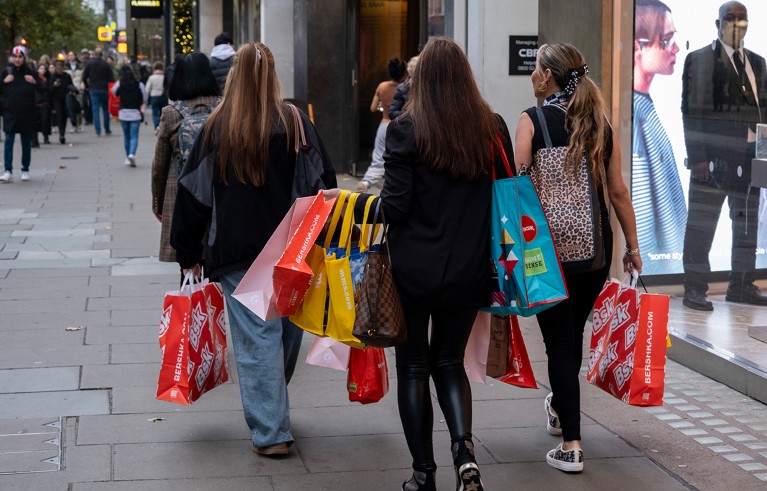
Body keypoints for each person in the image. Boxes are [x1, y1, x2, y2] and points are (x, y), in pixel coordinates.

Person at [330, 37, 510, 491]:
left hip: (412, 270)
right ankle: (464, 451)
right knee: (449, 361)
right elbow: (504, 198)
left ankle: (423, 474)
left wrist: (350, 203)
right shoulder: (492, 128)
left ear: (420, 79)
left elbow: (394, 207)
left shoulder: (404, 130)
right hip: (470, 267)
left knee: (414, 368)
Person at [170, 42, 337, 457]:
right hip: (293, 251)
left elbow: (194, 196)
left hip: (239, 252)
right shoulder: (295, 121)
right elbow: (324, 183)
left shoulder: (217, 127)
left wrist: (186, 249)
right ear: (273, 75)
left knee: (259, 339)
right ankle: (271, 420)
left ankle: (270, 424)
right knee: (282, 334)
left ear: (235, 75)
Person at [514, 42, 642, 473]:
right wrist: (634, 248)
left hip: (544, 256)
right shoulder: (600, 125)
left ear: (548, 77)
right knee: (570, 338)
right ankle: (559, 405)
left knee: (559, 345)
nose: (533, 75)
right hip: (594, 254)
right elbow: (619, 192)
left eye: (536, 69)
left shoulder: (530, 121)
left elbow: (517, 187)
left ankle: (571, 445)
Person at [681, 1, 767, 311]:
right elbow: (691, 112)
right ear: (717, 23)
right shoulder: (700, 59)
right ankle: (694, 288)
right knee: (701, 226)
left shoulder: (758, 63)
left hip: (751, 160)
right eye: (729, 17)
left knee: (746, 225)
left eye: (742, 18)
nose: (736, 22)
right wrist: (699, 157)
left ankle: (741, 285)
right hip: (712, 163)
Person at [632, 0, 687, 275]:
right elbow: (640, 210)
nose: (675, 48)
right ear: (637, 48)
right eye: (666, 41)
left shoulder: (643, 107)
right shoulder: (633, 116)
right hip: (656, 267)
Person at [151, 52, 220, 263]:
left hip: (182, 194)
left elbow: (160, 163)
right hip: (219, 193)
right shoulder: (225, 107)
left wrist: (158, 201)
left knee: (188, 263)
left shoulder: (171, 112)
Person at [356, 57, 406, 192]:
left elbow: (373, 108)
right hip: (400, 126)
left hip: (384, 125)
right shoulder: (405, 87)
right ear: (404, 74)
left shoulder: (382, 87)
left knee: (378, 158)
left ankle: (366, 181)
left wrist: (383, 107)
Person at [1, 45, 43, 183]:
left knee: (26, 142)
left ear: (24, 58)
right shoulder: (7, 72)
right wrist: (3, 82)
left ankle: (25, 169)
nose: (17, 59)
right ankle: (8, 170)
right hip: (10, 113)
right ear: (12, 57)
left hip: (26, 113)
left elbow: (43, 89)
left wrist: (34, 82)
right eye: (15, 57)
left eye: (20, 57)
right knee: (9, 141)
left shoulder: (31, 72)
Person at [111, 65, 147, 167]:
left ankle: (127, 157)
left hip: (123, 113)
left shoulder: (120, 83)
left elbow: (113, 92)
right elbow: (145, 97)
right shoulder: (139, 85)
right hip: (135, 113)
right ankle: (132, 154)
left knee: (126, 136)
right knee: (134, 136)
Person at [82, 47, 115, 137]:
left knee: (95, 109)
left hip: (93, 89)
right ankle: (107, 128)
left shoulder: (90, 64)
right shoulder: (106, 64)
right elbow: (111, 78)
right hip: (104, 89)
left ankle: (98, 130)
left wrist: (87, 86)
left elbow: (84, 76)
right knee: (105, 109)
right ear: (102, 54)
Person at [48, 60, 75, 144]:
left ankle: (63, 131)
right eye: (58, 68)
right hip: (56, 99)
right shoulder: (52, 77)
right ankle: (61, 134)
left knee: (64, 117)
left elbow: (71, 85)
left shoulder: (67, 76)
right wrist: (54, 85)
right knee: (59, 116)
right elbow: (49, 89)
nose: (59, 70)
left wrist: (71, 91)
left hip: (66, 98)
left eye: (61, 68)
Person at [389, 55, 418, 120]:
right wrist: (409, 114)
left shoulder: (430, 86)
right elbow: (392, 113)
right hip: (409, 127)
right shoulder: (403, 87)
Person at [145, 62, 167, 133]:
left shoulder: (151, 77)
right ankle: (162, 127)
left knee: (155, 113)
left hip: (154, 96)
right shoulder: (164, 77)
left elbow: (147, 89)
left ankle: (156, 127)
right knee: (163, 113)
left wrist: (145, 100)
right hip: (163, 96)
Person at [65, 51, 84, 133]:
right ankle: (73, 125)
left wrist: (82, 87)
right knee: (70, 108)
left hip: (79, 89)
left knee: (79, 108)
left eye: (72, 55)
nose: (71, 57)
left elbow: (83, 78)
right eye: (69, 55)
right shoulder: (66, 67)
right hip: (69, 89)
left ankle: (79, 123)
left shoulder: (80, 66)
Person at [79, 49, 93, 126]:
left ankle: (90, 118)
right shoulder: (80, 64)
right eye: (83, 54)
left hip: (91, 85)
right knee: (84, 102)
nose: (85, 55)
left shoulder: (91, 63)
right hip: (83, 85)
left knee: (91, 103)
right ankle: (87, 118)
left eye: (86, 54)